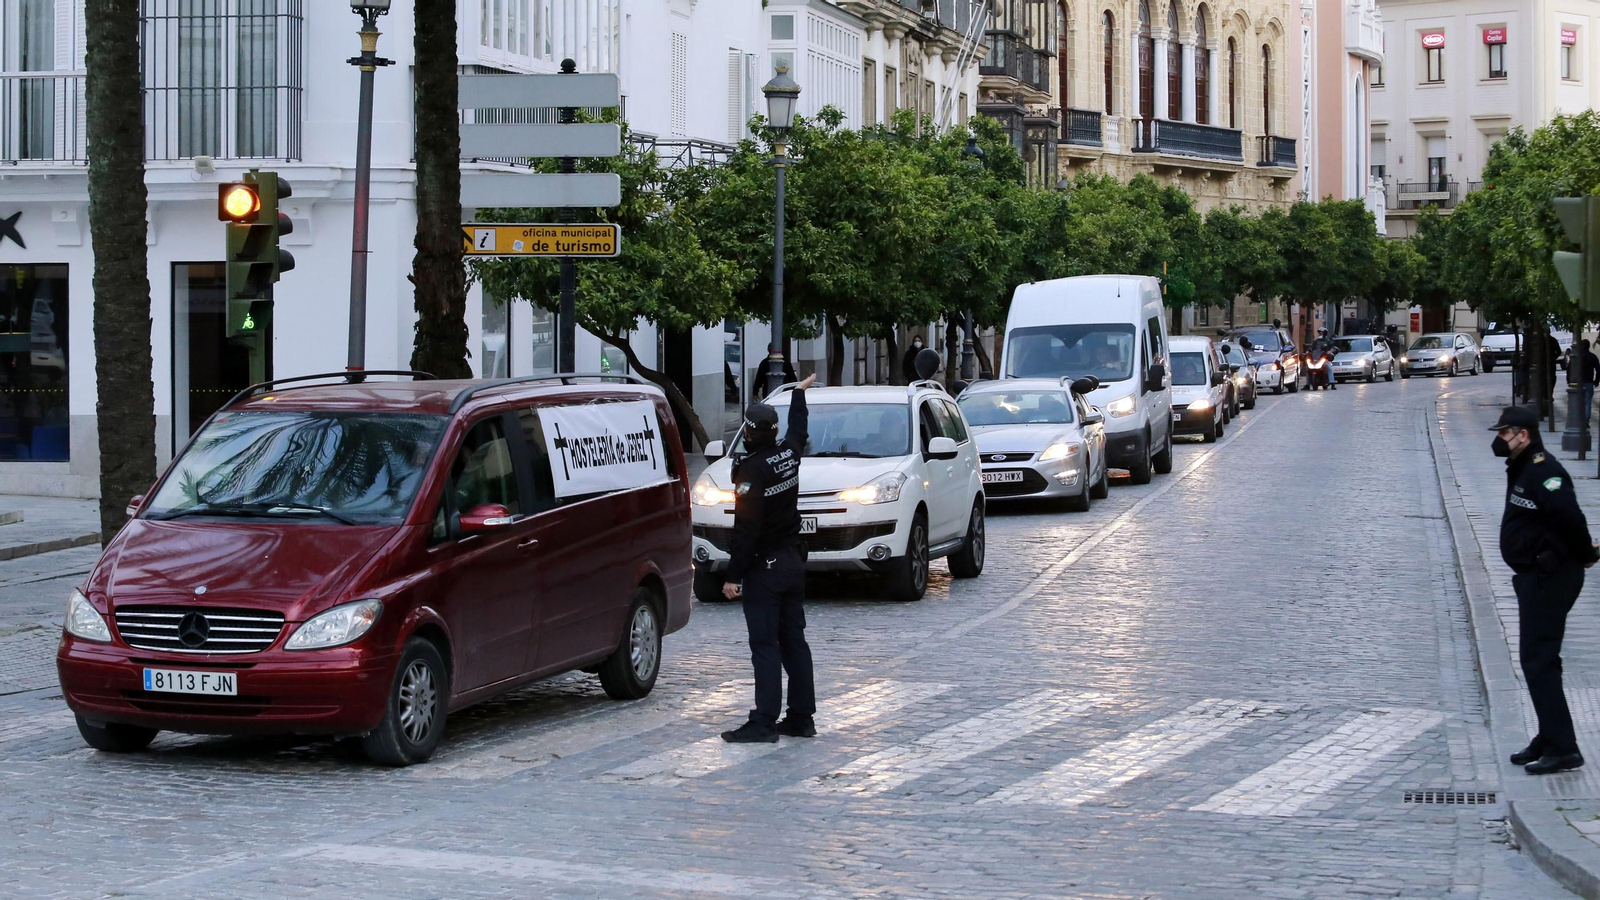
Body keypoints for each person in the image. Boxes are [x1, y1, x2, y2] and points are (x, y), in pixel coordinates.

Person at [1491, 406, 1600, 774]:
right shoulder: (1524, 467)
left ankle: (1565, 748)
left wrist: (1585, 555)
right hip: (1536, 576)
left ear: (1522, 434)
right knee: (1539, 660)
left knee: (1539, 661)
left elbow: (1569, 515)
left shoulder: (1544, 470)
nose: (1499, 441)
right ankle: (1549, 736)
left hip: (1550, 577)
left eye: (1504, 434)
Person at [721, 372, 819, 744]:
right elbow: (800, 429)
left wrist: (733, 575)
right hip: (793, 562)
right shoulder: (788, 454)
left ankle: (763, 721)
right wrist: (797, 394)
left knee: (765, 645)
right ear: (772, 432)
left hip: (766, 567)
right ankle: (801, 717)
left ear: (747, 432)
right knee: (795, 642)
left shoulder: (751, 470)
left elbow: (747, 528)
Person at [1579, 339, 1599, 427]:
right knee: (1588, 402)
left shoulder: (1577, 356)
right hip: (1589, 381)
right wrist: (1596, 380)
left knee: (1579, 401)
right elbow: (1598, 370)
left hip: (1579, 382)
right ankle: (1586, 420)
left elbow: (1570, 369)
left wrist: (1569, 380)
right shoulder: (1593, 356)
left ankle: (1580, 419)